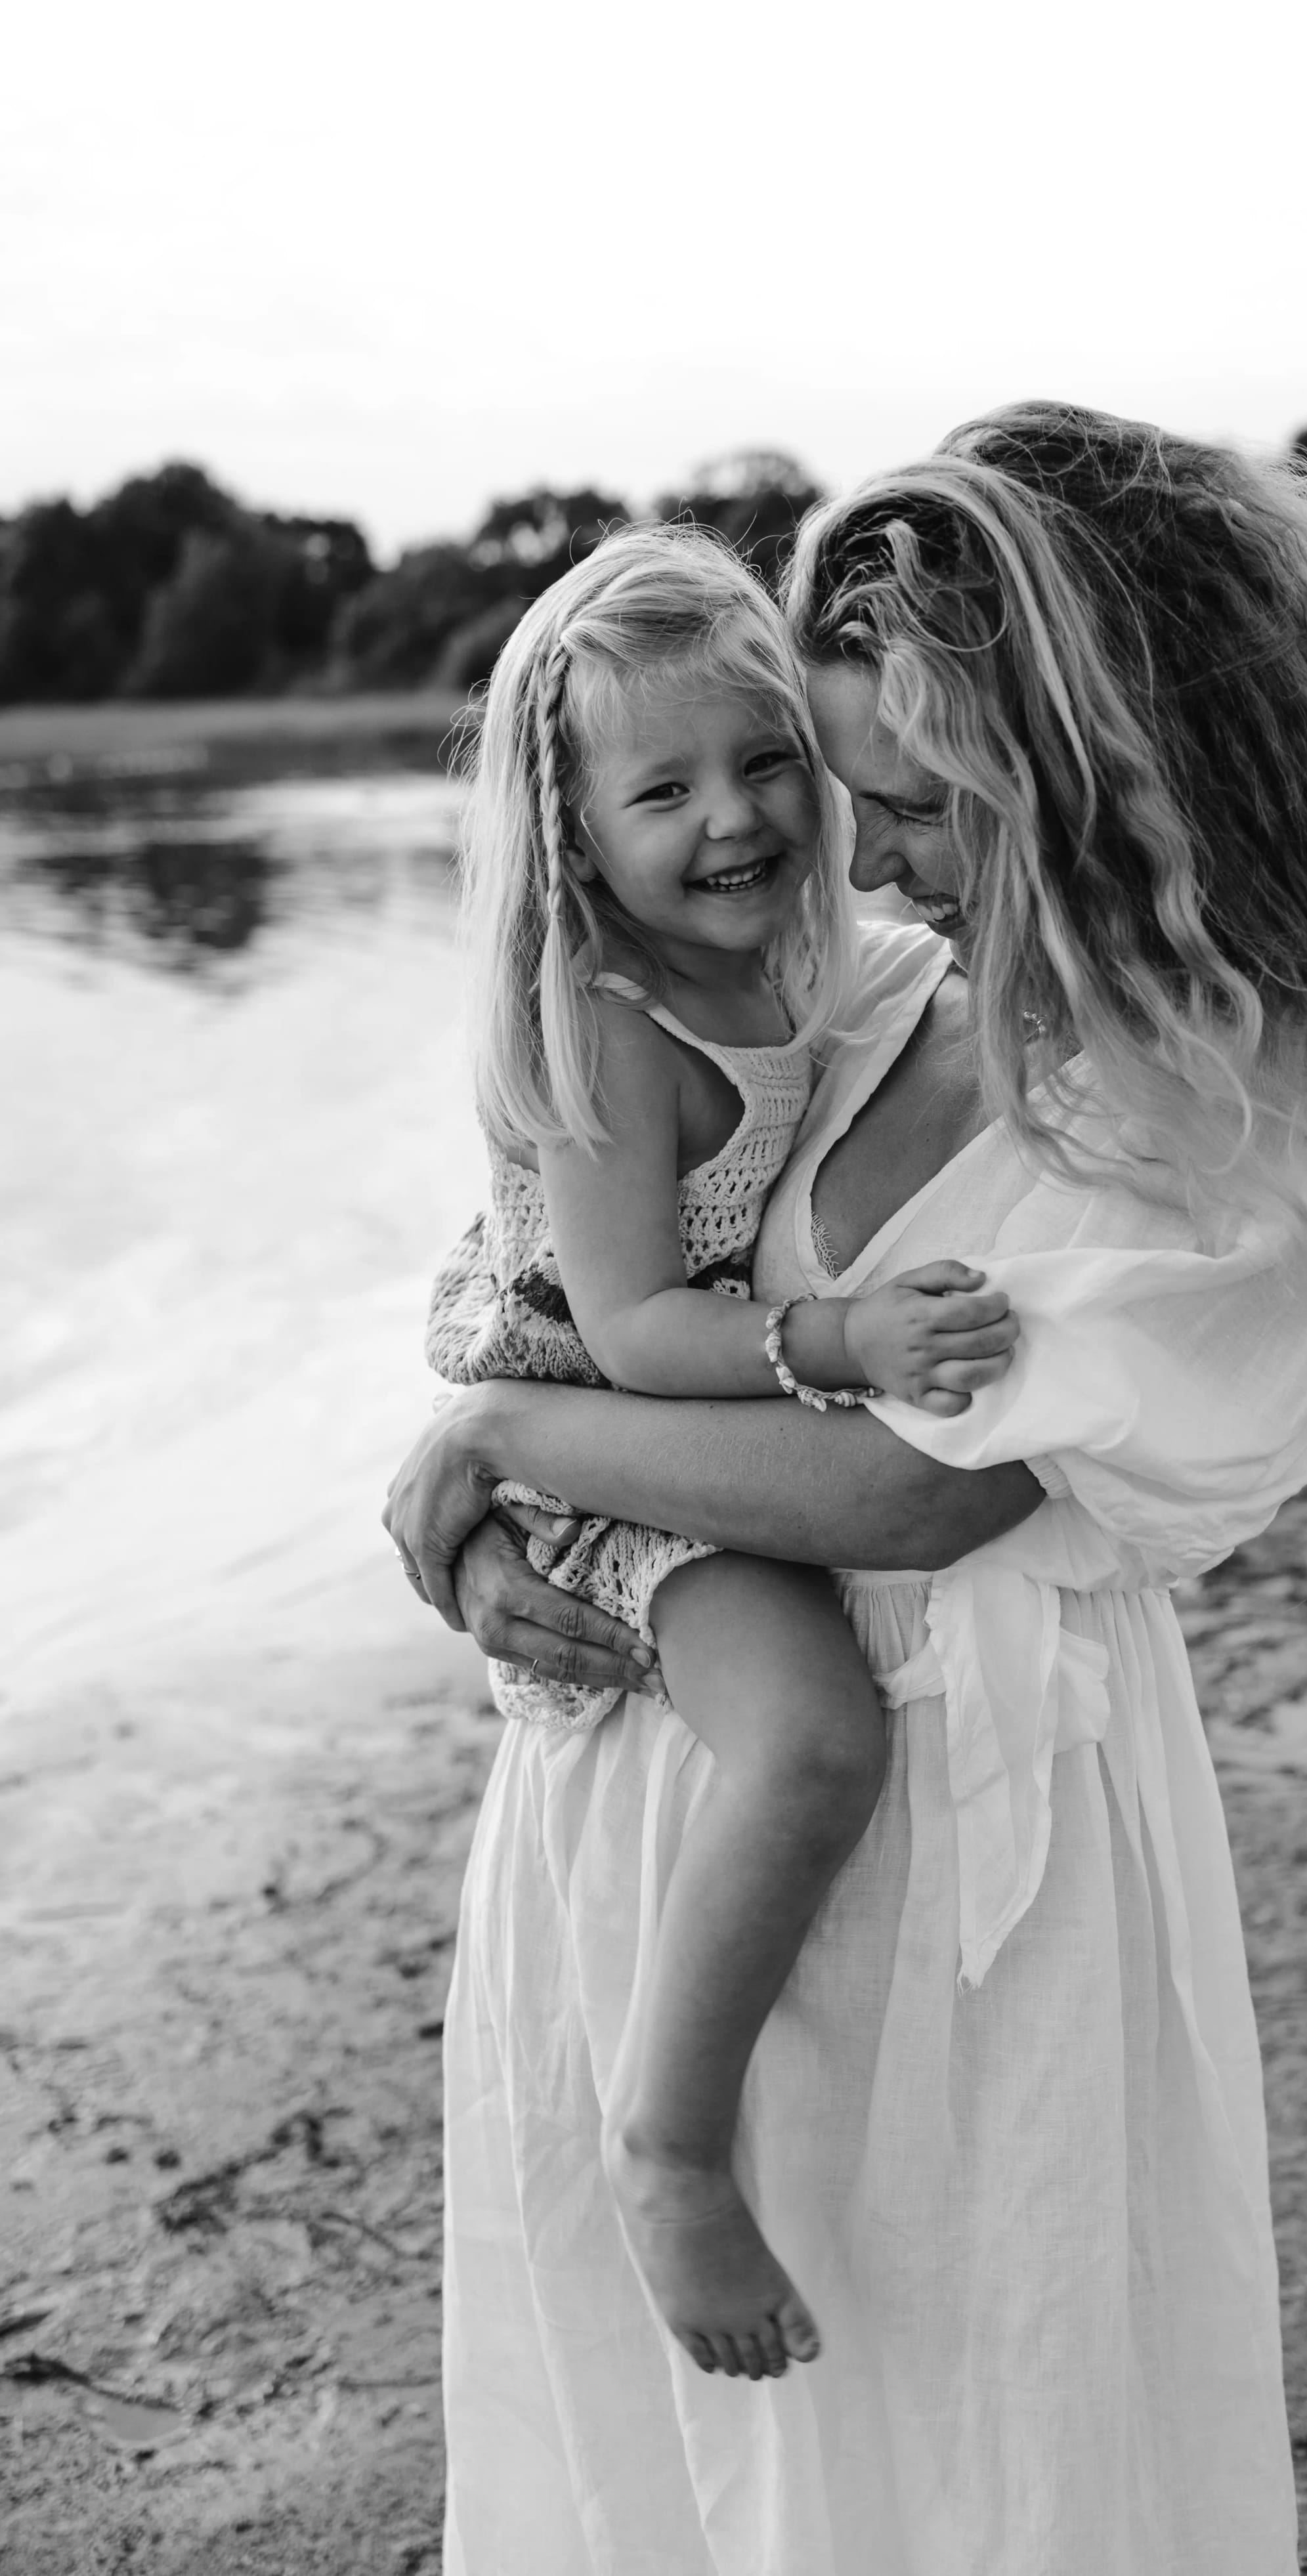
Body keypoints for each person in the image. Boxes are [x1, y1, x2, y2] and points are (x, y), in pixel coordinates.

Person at [386, 402, 1307, 2575]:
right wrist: (526, 1429)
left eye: (909, 803)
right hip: (668, 1775)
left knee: (972, 2434)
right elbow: (633, 1261)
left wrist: (499, 1439)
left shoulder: (1230, 1105)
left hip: (952, 1829)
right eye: (853, 793)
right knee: (689, 2480)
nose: (863, 852)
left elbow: (920, 1500)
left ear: (1076, 781)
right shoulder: (903, 979)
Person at [421, 523, 1023, 2376]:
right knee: (815, 1733)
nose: (739, 817)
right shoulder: (612, 1032)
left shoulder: (800, 966)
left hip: (669, 1419)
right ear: (575, 832)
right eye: (663, 787)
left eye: (769, 761)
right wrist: (836, 1336)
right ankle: (668, 2143)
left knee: (819, 1727)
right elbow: (626, 1336)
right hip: (603, 1445)